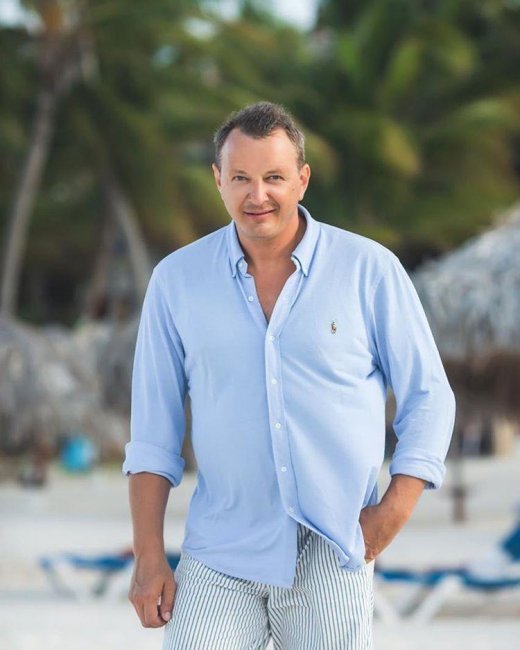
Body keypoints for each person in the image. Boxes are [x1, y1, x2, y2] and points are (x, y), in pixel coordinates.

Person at [122, 101, 456, 649]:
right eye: (241, 178)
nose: (258, 195)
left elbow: (429, 396)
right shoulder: (176, 281)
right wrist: (149, 555)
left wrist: (393, 511)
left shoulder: (368, 270)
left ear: (302, 179)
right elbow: (153, 432)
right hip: (219, 550)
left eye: (274, 177)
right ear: (218, 180)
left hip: (333, 547)